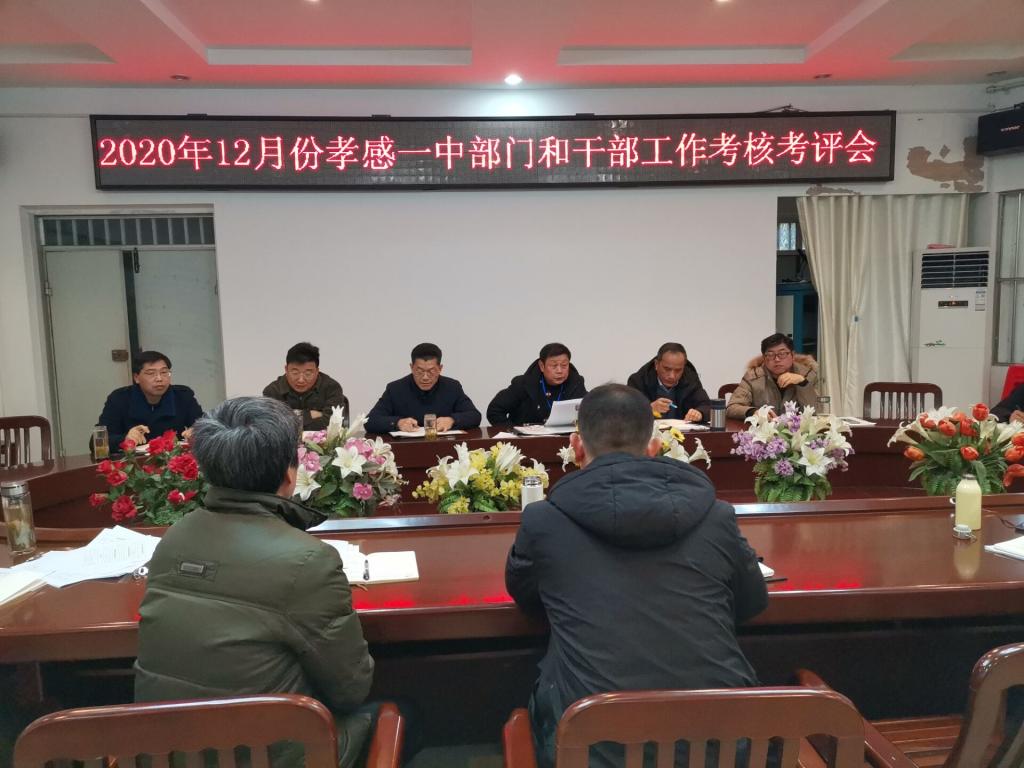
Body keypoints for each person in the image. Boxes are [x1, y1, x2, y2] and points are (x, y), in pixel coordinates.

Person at [505, 384, 767, 768]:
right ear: (654, 447)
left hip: (594, 752)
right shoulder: (716, 516)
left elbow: (527, 598)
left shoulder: (543, 521)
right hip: (724, 749)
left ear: (576, 447)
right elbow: (752, 602)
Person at [134, 397, 375, 768]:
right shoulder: (308, 560)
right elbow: (351, 689)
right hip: (268, 756)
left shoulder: (174, 536)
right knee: (404, 713)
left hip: (170, 754)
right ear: (290, 474)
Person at [366, 343, 481, 434]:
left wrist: (452, 420)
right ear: (411, 367)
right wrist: (397, 423)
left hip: (443, 447)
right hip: (407, 448)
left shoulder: (452, 387)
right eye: (419, 371)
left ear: (440, 368)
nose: (425, 377)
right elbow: (370, 421)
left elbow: (475, 416)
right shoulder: (395, 389)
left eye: (431, 371)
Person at [96, 350, 202, 449]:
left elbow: (206, 427)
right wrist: (125, 438)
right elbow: (98, 441)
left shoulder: (183, 396)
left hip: (173, 459)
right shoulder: (119, 399)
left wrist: (197, 432)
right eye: (151, 373)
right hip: (134, 460)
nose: (159, 379)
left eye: (164, 372)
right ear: (136, 377)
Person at [487, 343, 587, 426]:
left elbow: (590, 410)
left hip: (564, 439)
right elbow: (494, 410)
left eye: (564, 365)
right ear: (542, 366)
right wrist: (513, 432)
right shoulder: (523, 384)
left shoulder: (576, 384)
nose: (559, 371)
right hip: (527, 440)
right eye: (554, 365)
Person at [725, 333, 819, 420]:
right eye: (770, 355)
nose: (777, 359)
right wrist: (753, 412)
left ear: (792, 355)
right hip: (762, 430)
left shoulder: (808, 375)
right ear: (764, 358)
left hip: (799, 431)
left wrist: (803, 383)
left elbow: (818, 411)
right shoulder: (753, 377)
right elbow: (732, 407)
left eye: (782, 354)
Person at [262, 341, 347, 430]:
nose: (301, 380)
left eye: (308, 373)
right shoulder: (272, 391)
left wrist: (290, 419)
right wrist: (310, 415)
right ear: (286, 369)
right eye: (295, 373)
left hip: (323, 439)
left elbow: (332, 423)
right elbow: (273, 426)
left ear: (317, 371)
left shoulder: (332, 388)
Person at [626, 342, 711, 422]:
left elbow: (707, 406)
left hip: (681, 431)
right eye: (667, 369)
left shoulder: (690, 380)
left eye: (678, 370)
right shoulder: (639, 380)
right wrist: (648, 409)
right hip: (649, 432)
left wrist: (700, 413)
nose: (672, 376)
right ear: (656, 365)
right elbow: (626, 412)